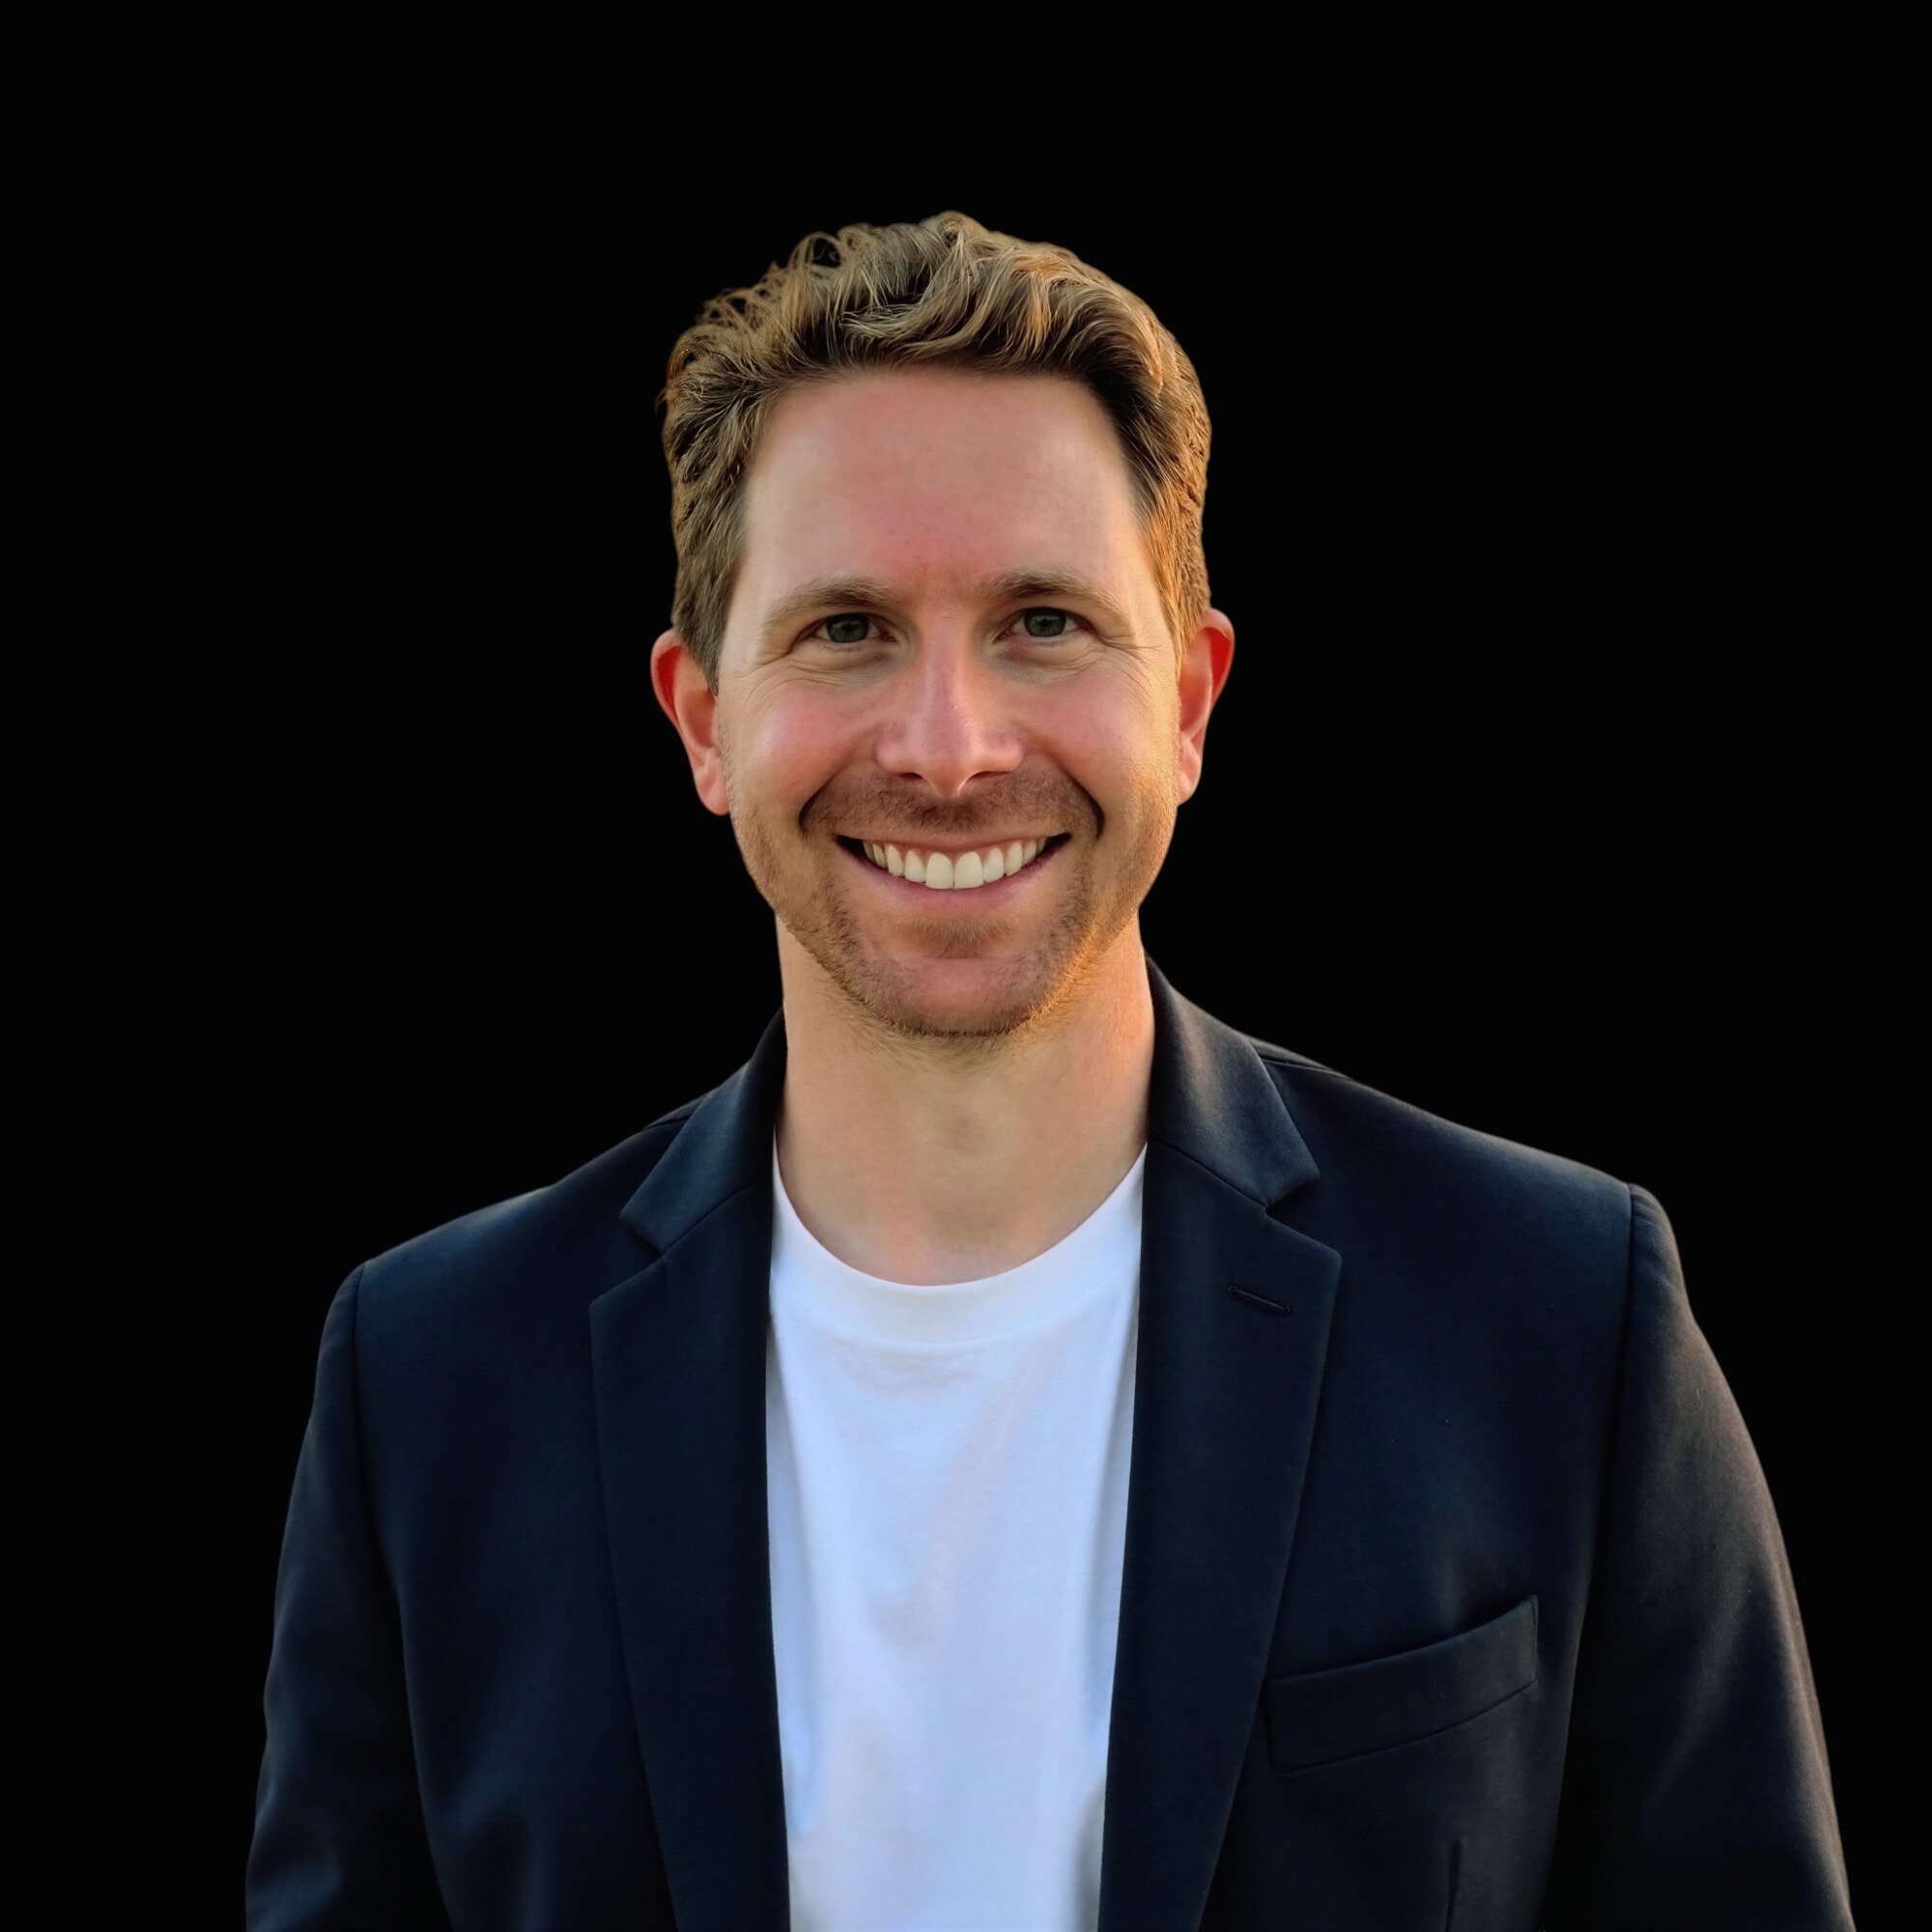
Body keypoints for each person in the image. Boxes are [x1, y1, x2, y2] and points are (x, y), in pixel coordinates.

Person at [246, 211, 1854, 1930]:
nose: (951, 747)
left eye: (1044, 623)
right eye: (848, 627)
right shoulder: (429, 1384)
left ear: (1193, 701)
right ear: (703, 721)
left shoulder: (1555, 1322)